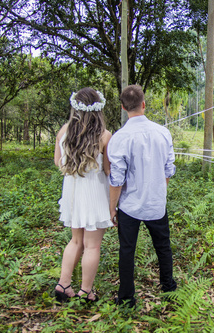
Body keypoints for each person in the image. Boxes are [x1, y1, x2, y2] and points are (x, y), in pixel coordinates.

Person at [108, 85, 177, 308]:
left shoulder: (119, 138)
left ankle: (127, 297)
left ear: (122, 107)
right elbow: (169, 169)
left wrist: (112, 207)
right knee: (163, 246)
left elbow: (116, 179)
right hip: (157, 203)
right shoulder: (163, 132)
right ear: (144, 104)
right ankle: (168, 287)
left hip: (129, 205)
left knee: (127, 250)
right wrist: (159, 190)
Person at [53, 87, 113, 303]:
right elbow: (108, 170)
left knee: (76, 241)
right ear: (98, 109)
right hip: (95, 194)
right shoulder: (105, 136)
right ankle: (86, 291)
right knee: (92, 245)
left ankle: (63, 284)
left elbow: (57, 162)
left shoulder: (64, 131)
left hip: (73, 193)